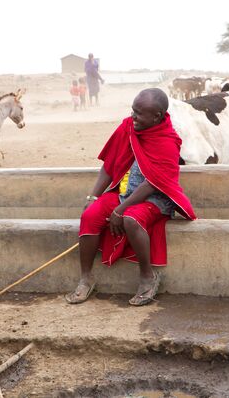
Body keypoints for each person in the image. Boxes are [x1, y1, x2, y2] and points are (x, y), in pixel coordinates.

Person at [65, 88, 196, 306]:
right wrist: (93, 197)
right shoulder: (129, 127)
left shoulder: (167, 141)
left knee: (131, 219)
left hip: (155, 196)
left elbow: (152, 183)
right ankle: (86, 278)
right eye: (133, 110)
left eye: (139, 113)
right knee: (90, 215)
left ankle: (148, 277)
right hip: (125, 192)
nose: (133, 116)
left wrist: (120, 209)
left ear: (157, 116)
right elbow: (109, 165)